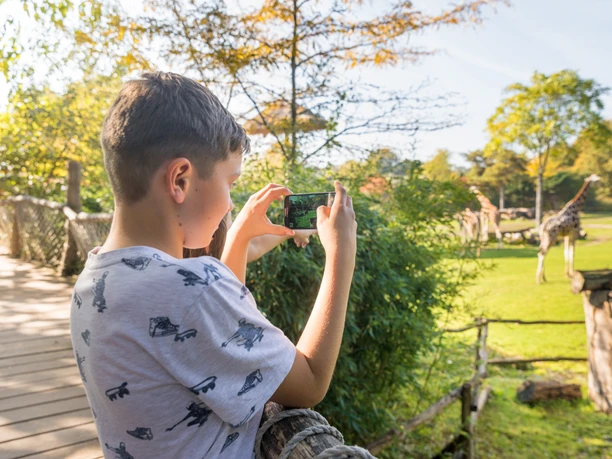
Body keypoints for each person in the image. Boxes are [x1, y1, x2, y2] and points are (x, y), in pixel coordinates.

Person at [69, 72, 357, 459]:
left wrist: (237, 240)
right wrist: (341, 257)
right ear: (180, 180)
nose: (229, 204)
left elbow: (203, 338)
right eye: (230, 183)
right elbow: (309, 382)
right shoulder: (191, 289)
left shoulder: (94, 280)